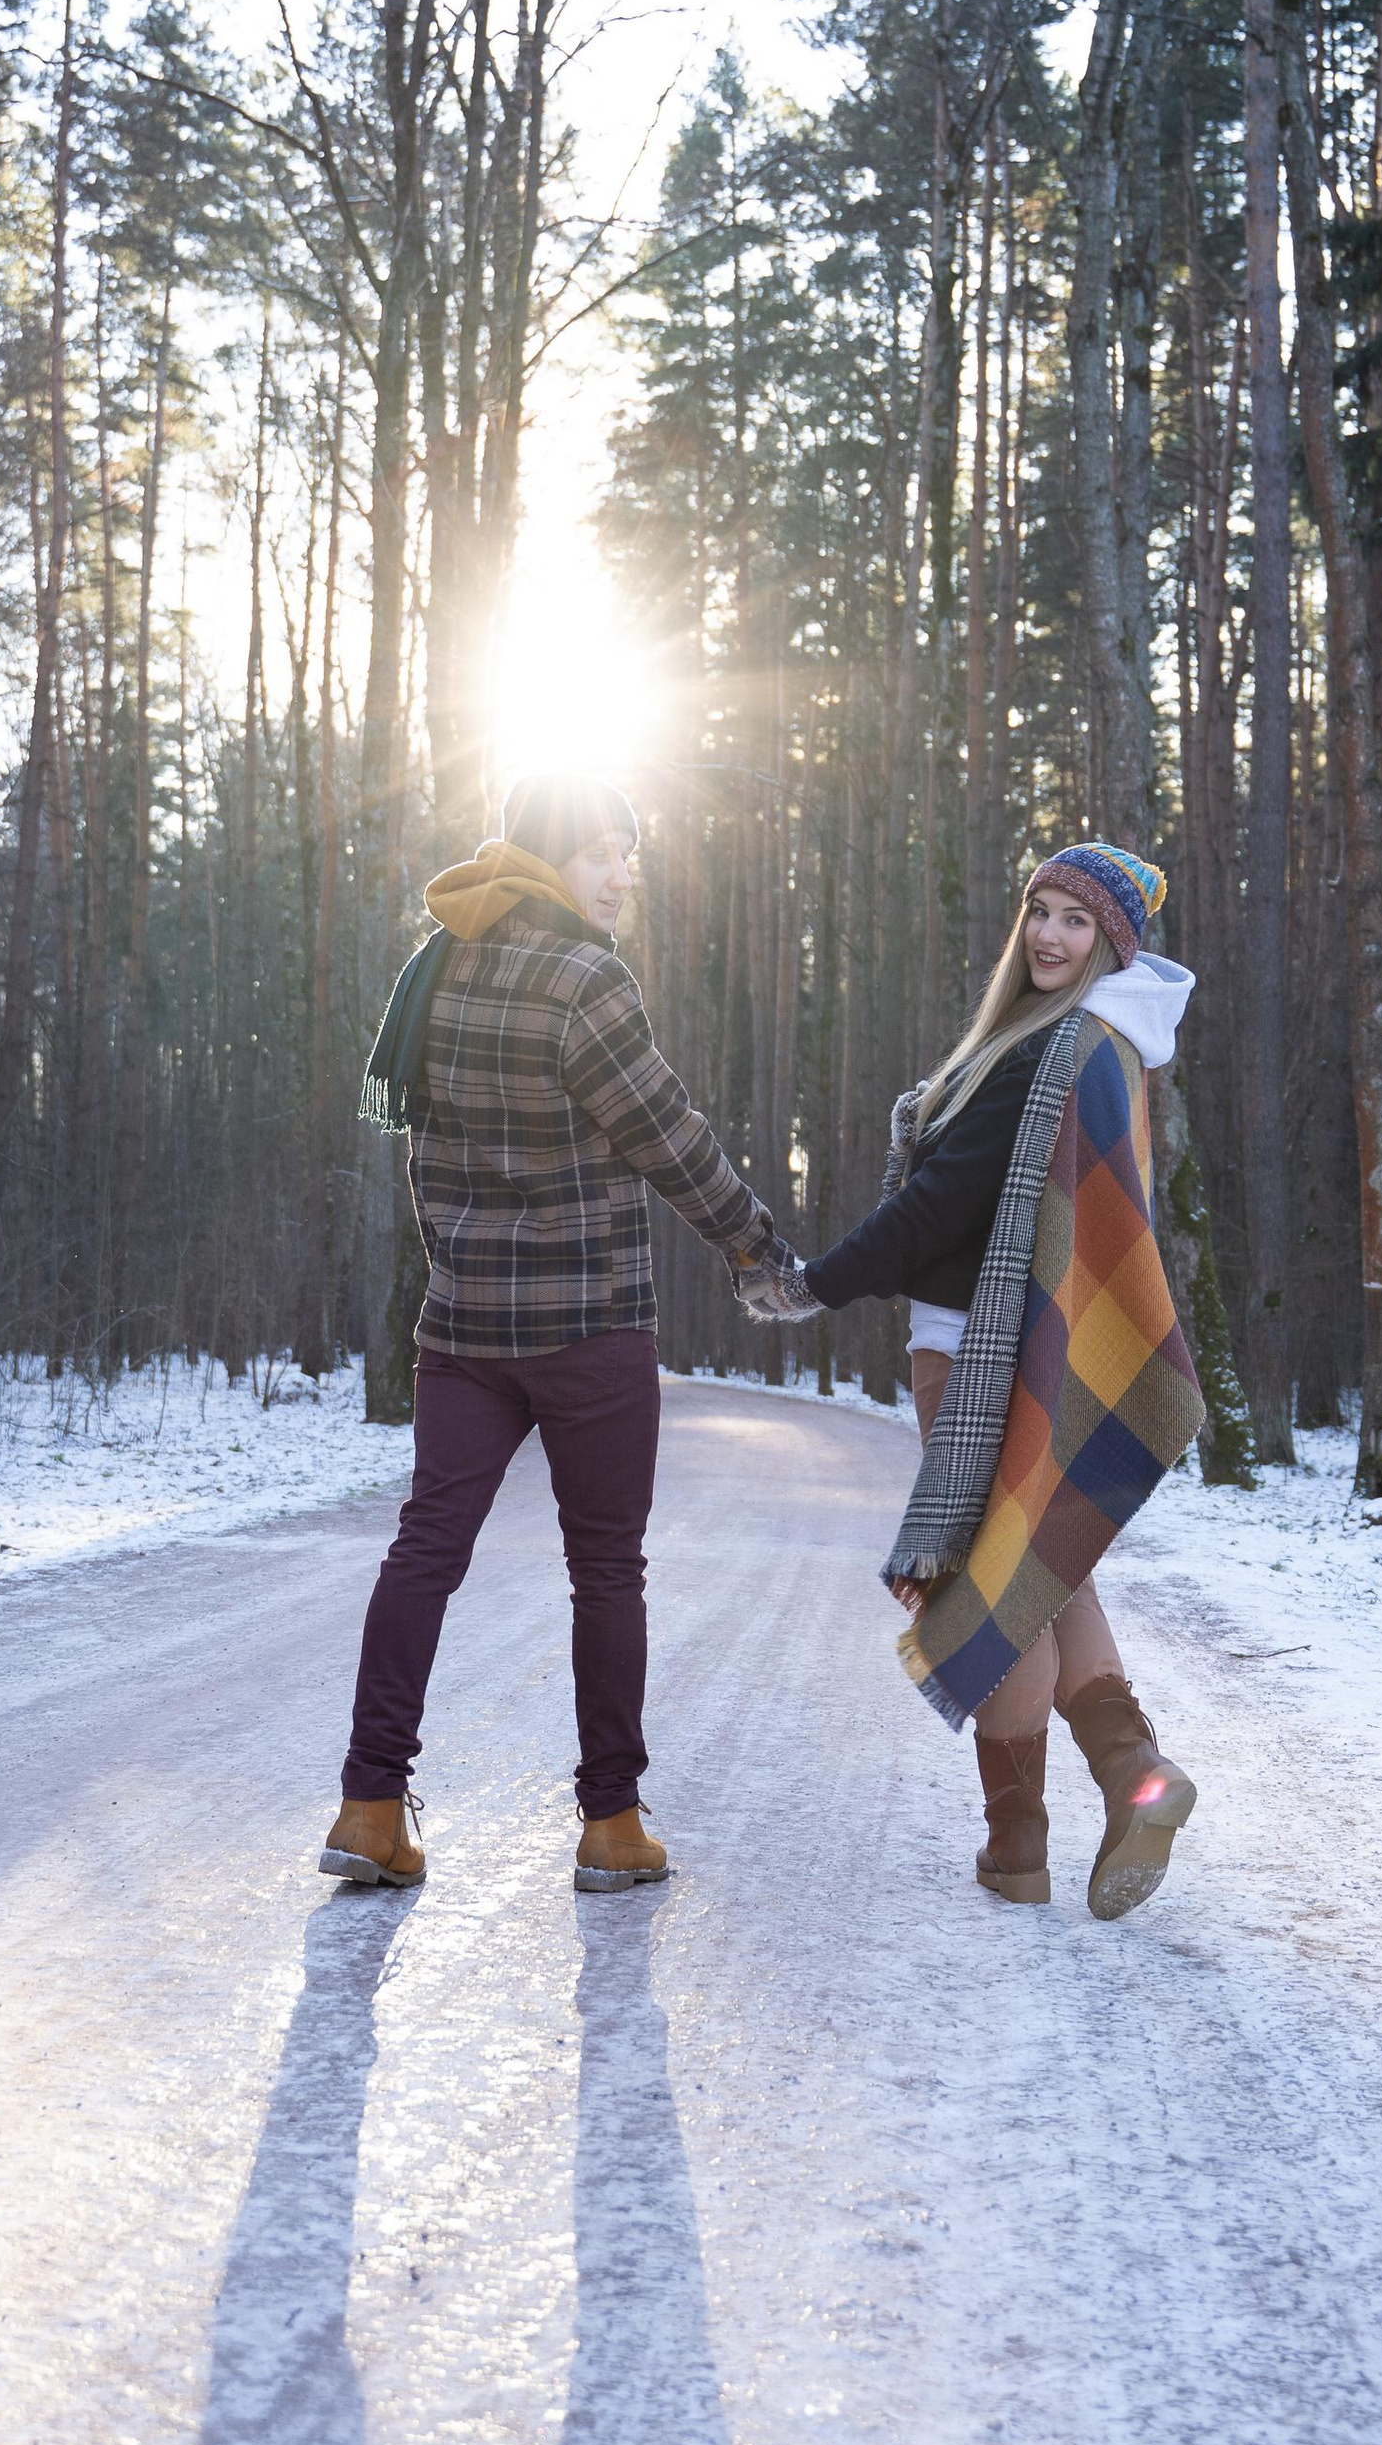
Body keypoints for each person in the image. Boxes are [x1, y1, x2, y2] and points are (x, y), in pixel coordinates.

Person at [323, 771, 792, 1898]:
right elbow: (667, 1134)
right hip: (589, 1325)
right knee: (607, 1572)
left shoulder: (436, 969)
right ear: (543, 856)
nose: (620, 875)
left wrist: (463, 1254)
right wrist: (753, 1244)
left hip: (464, 1327)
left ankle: (369, 1806)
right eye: (596, 854)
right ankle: (611, 1826)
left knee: (425, 1551)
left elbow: (422, 1153)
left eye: (629, 852)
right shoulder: (586, 978)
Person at [782, 842, 1206, 1917]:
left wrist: (815, 1284)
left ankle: (1017, 1847)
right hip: (1051, 1345)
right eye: (1041, 911)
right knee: (1052, 1572)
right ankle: (1138, 1777)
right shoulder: (1104, 1048)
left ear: (1113, 942)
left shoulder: (1049, 1050)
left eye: (1076, 920)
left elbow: (937, 1210)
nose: (1050, 935)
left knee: (997, 1585)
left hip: (974, 1351)